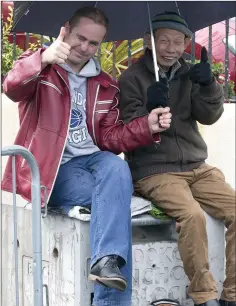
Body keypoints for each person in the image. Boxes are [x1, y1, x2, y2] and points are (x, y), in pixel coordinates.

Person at [2, 6, 172, 306]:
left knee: (116, 169)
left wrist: (146, 126)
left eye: (94, 43)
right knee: (115, 203)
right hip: (52, 171)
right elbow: (12, 87)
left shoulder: (105, 84)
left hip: (92, 163)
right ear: (66, 29)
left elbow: (109, 139)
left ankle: (106, 261)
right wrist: (42, 59)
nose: (85, 47)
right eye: (80, 38)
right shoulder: (41, 67)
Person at [118, 10, 235, 306]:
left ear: (186, 43)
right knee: (192, 216)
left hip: (197, 165)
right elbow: (128, 128)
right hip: (154, 169)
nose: (171, 49)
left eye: (179, 42)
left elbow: (209, 116)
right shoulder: (131, 78)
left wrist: (209, 85)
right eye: (163, 41)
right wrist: (150, 108)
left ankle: (232, 295)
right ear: (148, 41)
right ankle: (204, 295)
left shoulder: (191, 73)